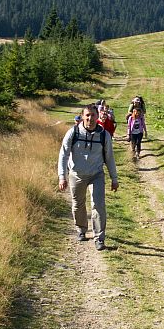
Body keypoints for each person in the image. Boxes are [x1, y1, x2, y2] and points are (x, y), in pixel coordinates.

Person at [58, 104, 119, 251]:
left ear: (97, 117)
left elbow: (109, 157)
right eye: (87, 115)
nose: (90, 118)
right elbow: (63, 154)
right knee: (78, 204)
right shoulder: (73, 132)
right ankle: (81, 229)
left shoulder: (104, 135)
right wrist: (62, 176)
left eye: (93, 115)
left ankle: (99, 239)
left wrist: (114, 178)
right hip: (76, 174)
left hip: (96, 174)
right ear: (82, 117)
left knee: (98, 206)